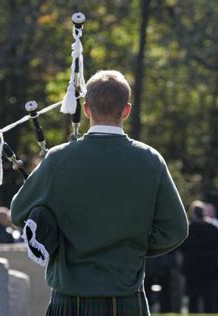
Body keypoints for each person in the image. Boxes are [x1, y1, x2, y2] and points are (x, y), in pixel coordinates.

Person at [10, 70, 189, 316]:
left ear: (86, 109)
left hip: (69, 299)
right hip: (125, 298)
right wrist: (134, 247)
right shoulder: (149, 160)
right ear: (126, 110)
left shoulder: (59, 159)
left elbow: (20, 212)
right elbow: (176, 229)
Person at [180, 200, 218, 313]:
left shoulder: (188, 229)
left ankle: (192, 312)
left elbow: (182, 247)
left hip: (192, 266)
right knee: (208, 294)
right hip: (209, 265)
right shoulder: (212, 228)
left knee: (193, 294)